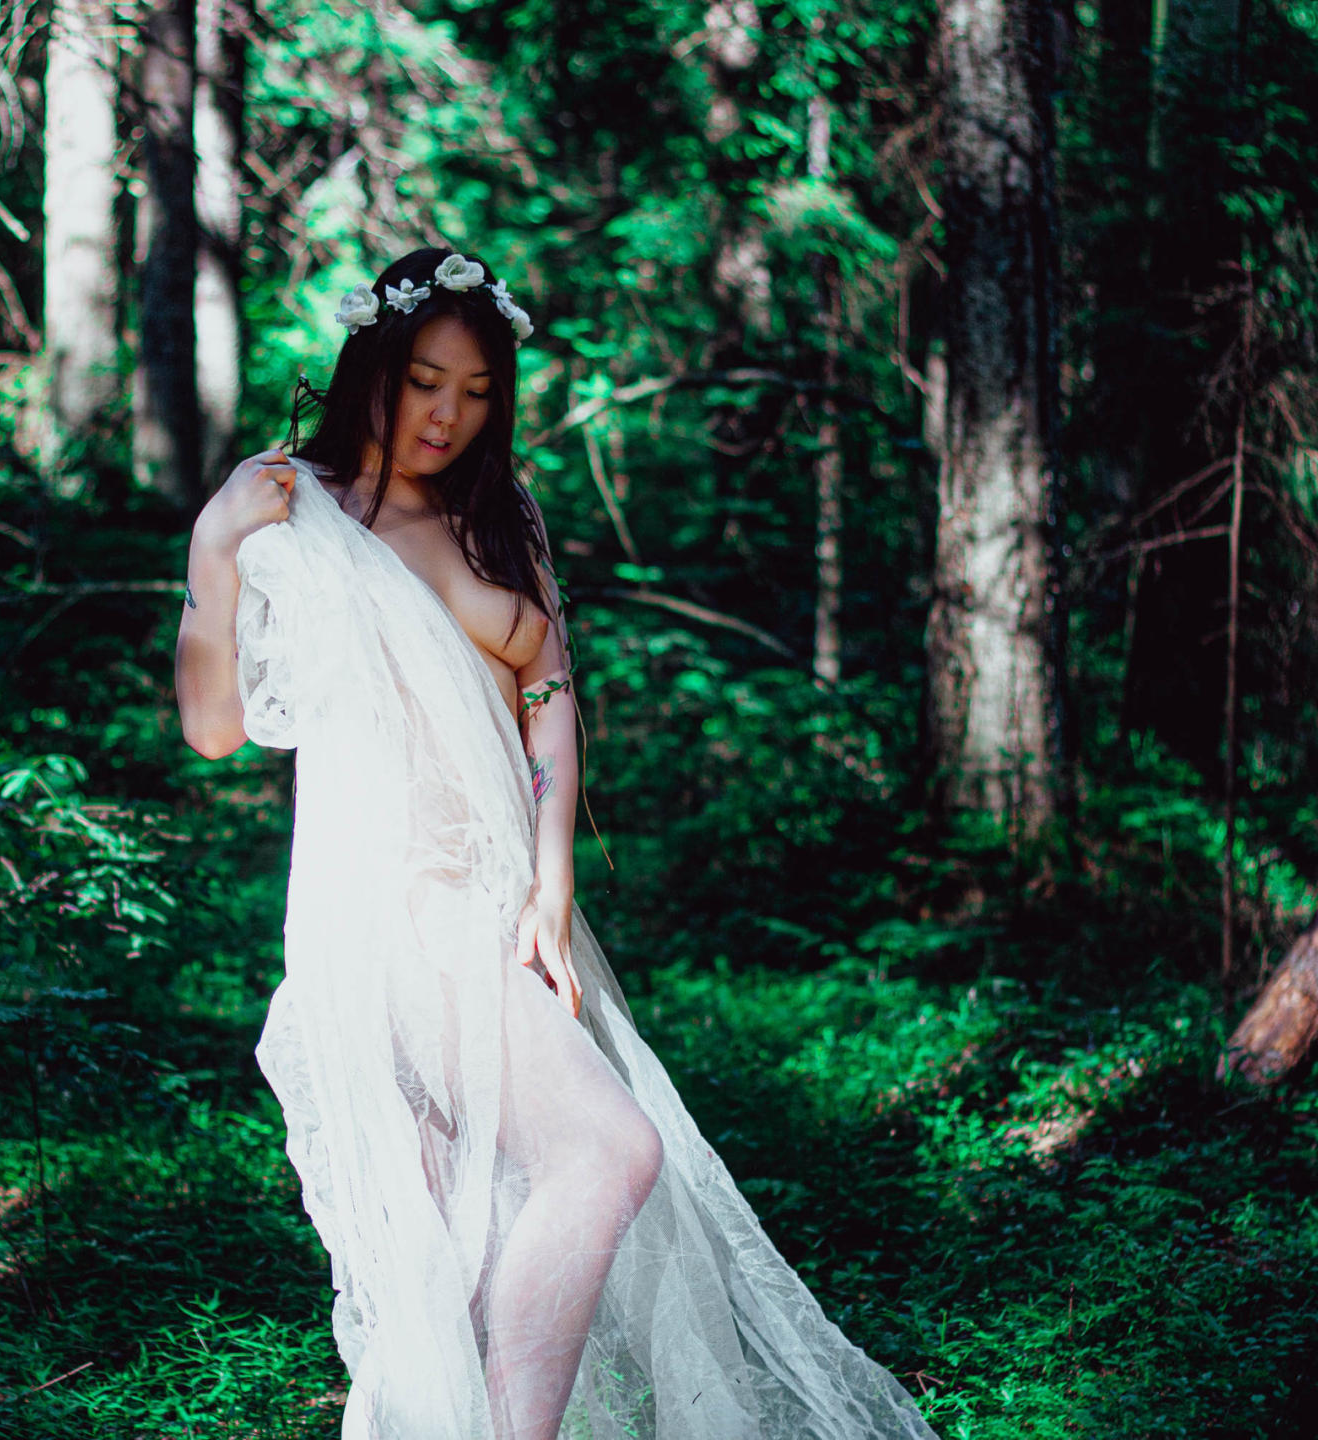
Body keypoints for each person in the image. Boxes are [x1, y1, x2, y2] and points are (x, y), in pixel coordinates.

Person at [174, 247, 936, 1440]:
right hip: (388, 912)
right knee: (608, 1154)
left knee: (471, 1234)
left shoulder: (498, 509)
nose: (446, 416)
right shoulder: (291, 505)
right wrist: (212, 550)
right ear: (372, 366)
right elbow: (215, 729)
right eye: (425, 382)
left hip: (499, 903)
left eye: (477, 393)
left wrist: (551, 876)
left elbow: (548, 688)